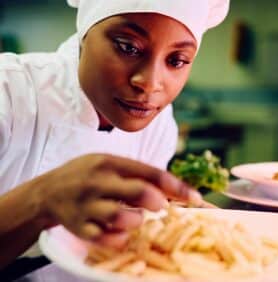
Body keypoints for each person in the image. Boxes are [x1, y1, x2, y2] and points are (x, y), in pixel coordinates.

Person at [0, 0, 230, 280]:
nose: (150, 83)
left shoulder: (158, 127)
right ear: (84, 35)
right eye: (128, 47)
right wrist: (42, 199)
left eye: (176, 60)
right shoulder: (9, 95)